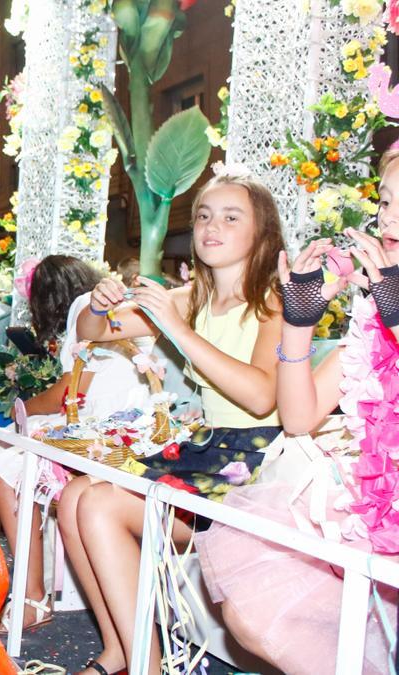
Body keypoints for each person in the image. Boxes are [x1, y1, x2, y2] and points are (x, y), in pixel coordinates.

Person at [59, 167, 285, 675]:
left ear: (262, 235)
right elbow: (92, 333)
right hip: (205, 449)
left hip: (253, 465)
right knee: (72, 496)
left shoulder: (273, 303)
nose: (211, 226)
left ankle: (147, 665)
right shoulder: (190, 297)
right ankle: (123, 650)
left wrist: (179, 331)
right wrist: (97, 307)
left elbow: (260, 394)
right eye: (204, 215)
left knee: (95, 503)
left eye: (231, 217)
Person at [192, 151, 399, 674]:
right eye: (386, 201)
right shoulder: (378, 308)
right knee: (253, 609)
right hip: (376, 505)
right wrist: (300, 321)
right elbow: (299, 417)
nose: (389, 219)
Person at [0, 255, 156, 632]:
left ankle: (24, 590)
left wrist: (20, 409)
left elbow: (69, 393)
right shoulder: (107, 308)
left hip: (107, 433)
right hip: (122, 424)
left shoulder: (83, 307)